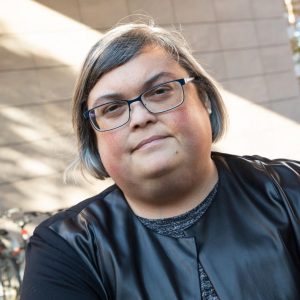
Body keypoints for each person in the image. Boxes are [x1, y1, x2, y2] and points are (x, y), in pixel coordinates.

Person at [21, 21, 300, 300]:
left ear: (204, 99)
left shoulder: (290, 192)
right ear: (93, 137)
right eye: (113, 108)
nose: (141, 117)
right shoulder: (66, 247)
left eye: (159, 91)